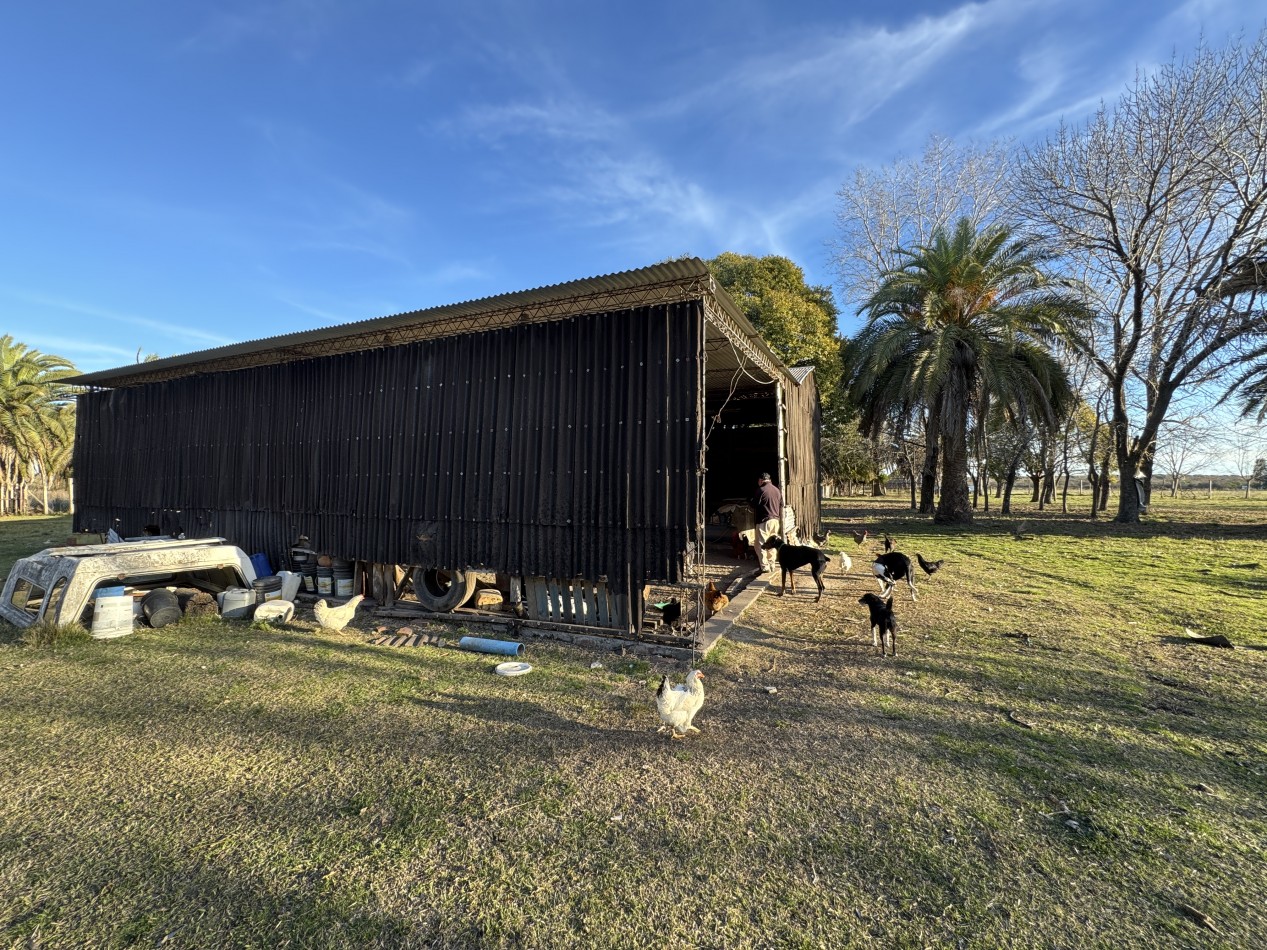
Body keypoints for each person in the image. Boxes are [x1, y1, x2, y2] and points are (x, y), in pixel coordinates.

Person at [751, 472, 783, 573]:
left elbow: (754, 504)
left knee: (760, 544)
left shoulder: (761, 490)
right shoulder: (777, 490)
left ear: (761, 480)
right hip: (775, 520)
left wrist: (750, 500)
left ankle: (764, 567)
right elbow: (781, 504)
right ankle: (772, 563)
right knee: (772, 543)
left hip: (764, 520)